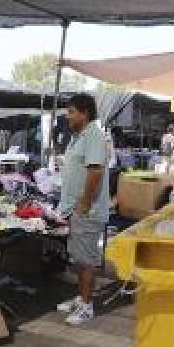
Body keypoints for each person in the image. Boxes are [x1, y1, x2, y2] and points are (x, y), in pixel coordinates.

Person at [55, 93, 109, 327]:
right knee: (78, 257)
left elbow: (95, 170)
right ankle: (81, 297)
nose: (68, 116)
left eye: (71, 112)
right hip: (76, 209)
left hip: (87, 210)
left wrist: (85, 201)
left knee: (86, 259)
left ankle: (87, 306)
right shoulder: (78, 137)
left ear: (84, 113)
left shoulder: (94, 135)